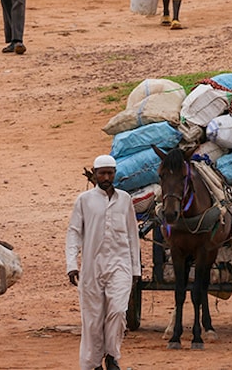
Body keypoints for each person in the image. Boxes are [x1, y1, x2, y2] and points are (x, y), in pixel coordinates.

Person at [66, 154, 140, 370]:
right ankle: (93, 362)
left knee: (117, 311)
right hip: (92, 267)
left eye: (110, 173)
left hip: (121, 265)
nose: (106, 177)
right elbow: (74, 233)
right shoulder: (84, 200)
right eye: (102, 173)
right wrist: (71, 265)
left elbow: (132, 235)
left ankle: (112, 355)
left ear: (115, 174)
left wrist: (136, 268)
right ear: (95, 174)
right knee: (93, 319)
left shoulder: (125, 199)